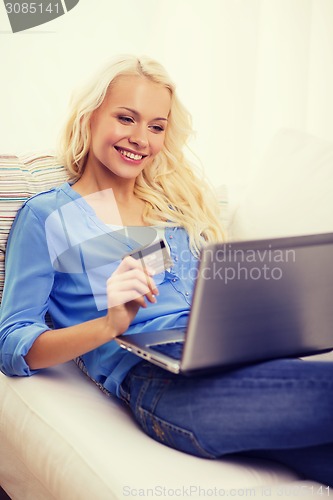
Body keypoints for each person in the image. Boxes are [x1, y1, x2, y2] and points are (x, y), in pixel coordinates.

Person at [0, 54, 332, 487]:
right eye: (126, 118)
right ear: (90, 117)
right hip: (163, 385)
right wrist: (110, 324)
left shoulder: (173, 211)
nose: (141, 138)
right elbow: (12, 342)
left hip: (239, 362)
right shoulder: (49, 215)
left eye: (156, 126)